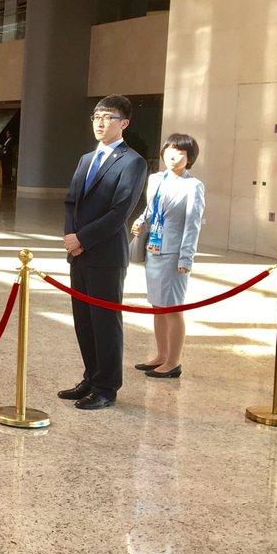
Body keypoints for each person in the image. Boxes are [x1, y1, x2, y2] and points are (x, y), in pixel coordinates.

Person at [59, 95, 148, 411]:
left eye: (108, 117)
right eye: (96, 116)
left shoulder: (132, 162)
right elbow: (71, 201)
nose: (100, 122)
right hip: (79, 253)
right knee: (84, 321)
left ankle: (106, 388)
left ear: (124, 123)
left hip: (106, 256)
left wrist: (82, 238)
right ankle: (91, 378)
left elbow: (120, 211)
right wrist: (71, 236)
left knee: (105, 322)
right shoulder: (86, 159)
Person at [131, 134, 206, 378]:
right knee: (157, 306)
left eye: (181, 152)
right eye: (170, 150)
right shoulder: (156, 179)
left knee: (173, 308)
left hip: (174, 254)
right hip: (154, 248)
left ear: (189, 158)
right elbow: (151, 209)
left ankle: (174, 361)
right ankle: (161, 355)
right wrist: (140, 221)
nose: (174, 156)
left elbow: (192, 225)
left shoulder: (193, 186)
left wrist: (186, 257)